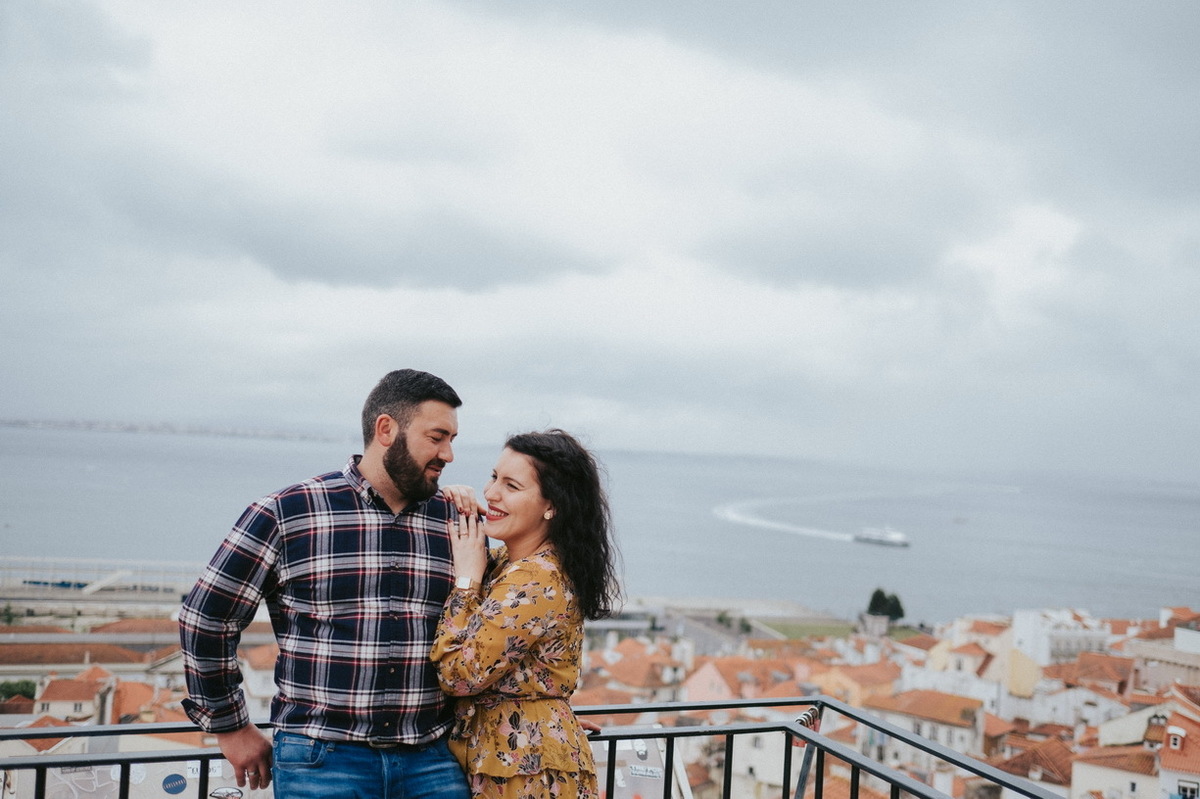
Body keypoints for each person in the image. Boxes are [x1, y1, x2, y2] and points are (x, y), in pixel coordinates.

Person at [178, 369, 471, 799]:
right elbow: (206, 618)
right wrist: (231, 726)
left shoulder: (457, 522)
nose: (448, 454)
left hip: (434, 762)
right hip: (321, 762)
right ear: (386, 429)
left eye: (452, 440)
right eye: (437, 437)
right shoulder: (287, 511)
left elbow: (489, 630)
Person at [430, 429, 621, 799]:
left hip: (523, 770)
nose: (491, 493)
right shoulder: (513, 563)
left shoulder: (534, 579)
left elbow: (458, 675)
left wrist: (466, 581)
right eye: (493, 477)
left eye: (511, 485)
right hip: (521, 752)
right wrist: (450, 501)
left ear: (552, 505)